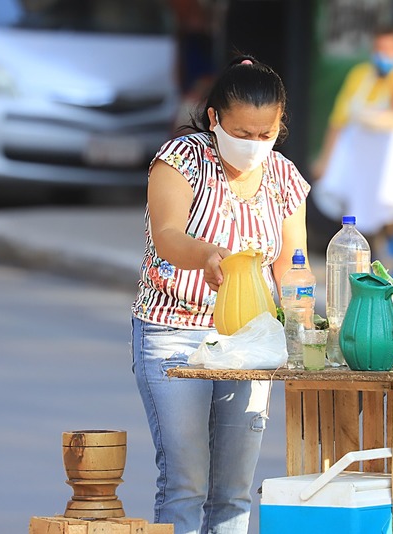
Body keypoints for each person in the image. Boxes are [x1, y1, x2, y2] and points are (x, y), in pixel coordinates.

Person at [130, 55, 311, 533]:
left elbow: (293, 263)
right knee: (185, 482)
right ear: (215, 119)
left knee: (233, 491)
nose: (254, 145)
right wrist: (206, 256)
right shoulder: (180, 160)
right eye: (242, 133)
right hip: (174, 332)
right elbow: (167, 234)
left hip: (252, 343)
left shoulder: (285, 179)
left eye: (264, 135)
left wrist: (304, 315)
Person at [312, 24, 393, 180]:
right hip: (353, 159)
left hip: (389, 164)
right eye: (379, 48)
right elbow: (338, 121)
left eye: (390, 49)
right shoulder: (359, 74)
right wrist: (325, 160)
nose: (383, 54)